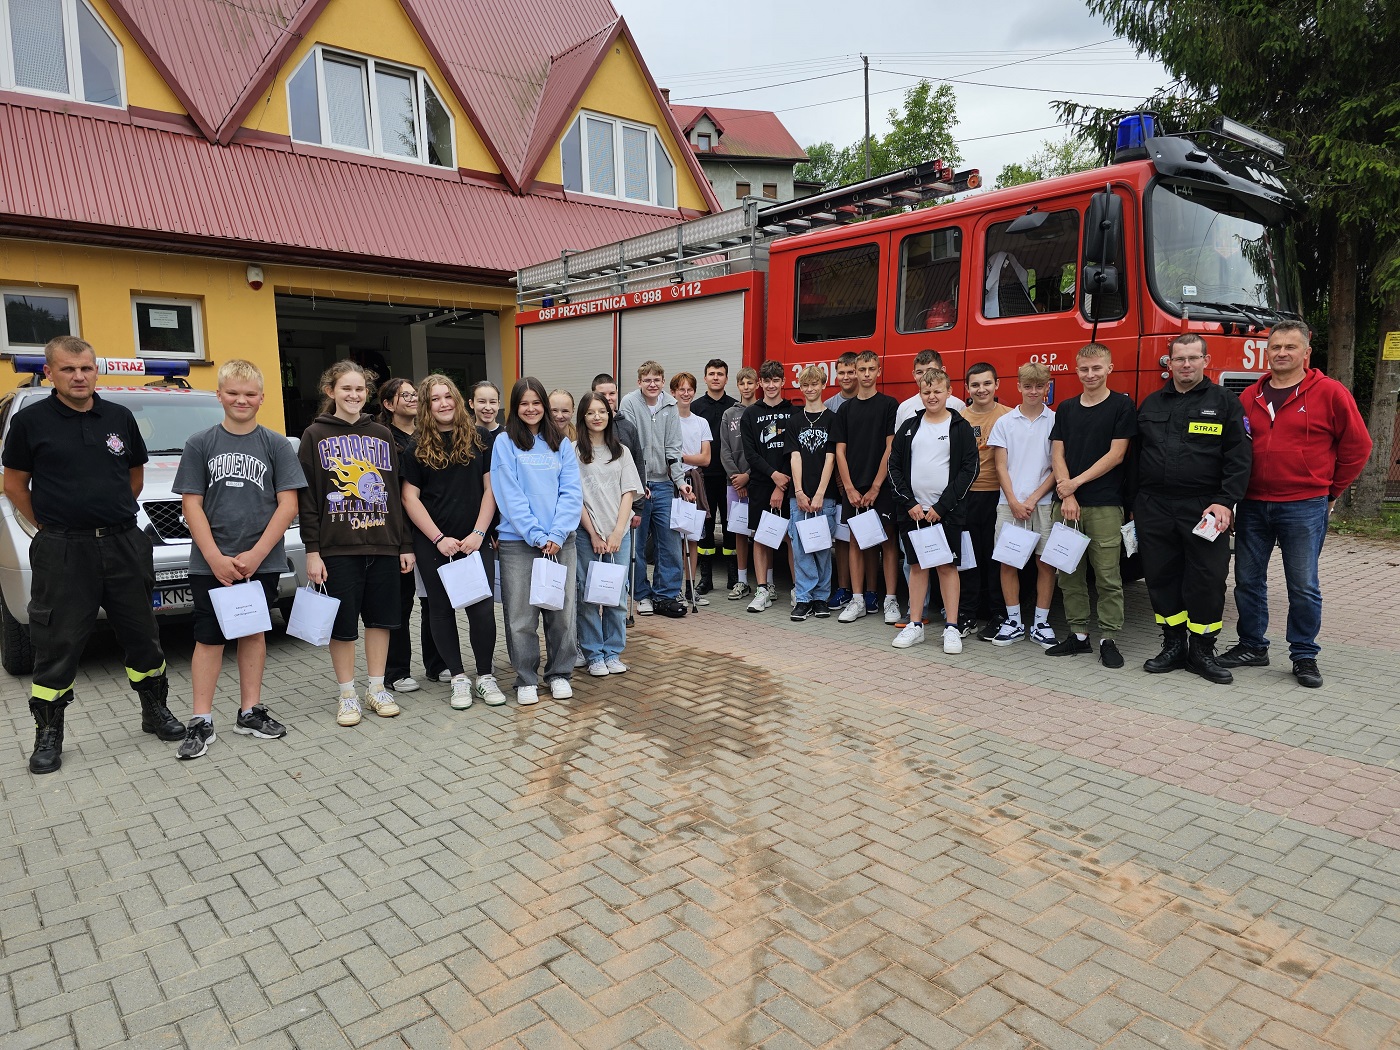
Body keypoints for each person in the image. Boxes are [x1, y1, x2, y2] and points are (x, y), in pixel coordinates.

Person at [2, 336, 184, 773]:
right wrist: (49, 526)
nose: (78, 376)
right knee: (57, 643)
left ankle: (154, 711)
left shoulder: (118, 417)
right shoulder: (32, 422)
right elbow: (13, 486)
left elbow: (134, 477)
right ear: (50, 373)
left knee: (142, 634)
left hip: (123, 543)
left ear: (95, 370)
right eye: (68, 369)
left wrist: (113, 513)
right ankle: (49, 734)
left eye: (85, 368)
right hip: (64, 549)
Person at [1219, 321, 1373, 688]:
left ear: (1306, 353)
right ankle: (1252, 646)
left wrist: (1331, 492)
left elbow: (1358, 446)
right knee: (1247, 581)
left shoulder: (1330, 393)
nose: (1282, 353)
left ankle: (1304, 654)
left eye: (1291, 347)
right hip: (1254, 504)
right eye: (1276, 347)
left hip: (1304, 505)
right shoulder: (1249, 396)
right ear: (1266, 353)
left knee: (1302, 585)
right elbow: (1236, 450)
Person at [172, 359, 306, 759]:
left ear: (262, 398)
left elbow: (288, 504)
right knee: (208, 638)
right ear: (219, 396)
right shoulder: (200, 443)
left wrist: (258, 553)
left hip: (260, 563)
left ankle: (250, 711)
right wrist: (214, 557)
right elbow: (191, 504)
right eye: (232, 393)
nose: (241, 400)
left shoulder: (276, 444)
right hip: (209, 563)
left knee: (252, 633)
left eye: (249, 394)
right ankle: (201, 719)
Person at [298, 360, 415, 727]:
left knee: (381, 621)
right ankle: (347, 693)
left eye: (360, 389)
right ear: (330, 391)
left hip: (383, 544)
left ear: (368, 395)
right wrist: (312, 550)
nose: (353, 395)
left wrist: (405, 544)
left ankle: (377, 687)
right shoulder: (314, 435)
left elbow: (397, 495)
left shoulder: (382, 434)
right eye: (346, 389)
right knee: (343, 625)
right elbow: (308, 499)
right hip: (337, 549)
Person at [1133, 335, 1252, 683]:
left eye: (1192, 358)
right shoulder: (1151, 404)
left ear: (1205, 360)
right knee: (1160, 577)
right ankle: (1173, 645)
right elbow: (1135, 458)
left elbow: (1239, 457)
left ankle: (1201, 651)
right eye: (1179, 358)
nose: (1186, 364)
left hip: (1206, 508)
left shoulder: (1226, 403)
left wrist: (1226, 500)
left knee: (1207, 580)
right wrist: (1133, 504)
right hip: (1154, 506)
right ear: (1168, 363)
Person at [399, 375, 506, 709]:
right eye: (435, 399)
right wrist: (438, 538)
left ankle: (485, 676)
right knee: (441, 610)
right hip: (434, 544)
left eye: (448, 396)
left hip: (475, 541)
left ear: (458, 401)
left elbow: (491, 490)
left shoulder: (481, 439)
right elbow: (409, 498)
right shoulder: (415, 447)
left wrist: (478, 534)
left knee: (482, 610)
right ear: (427, 406)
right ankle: (458, 678)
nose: (443, 403)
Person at [492, 377, 584, 705]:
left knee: (561, 612)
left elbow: (572, 493)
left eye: (536, 402)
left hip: (562, 542)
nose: (531, 409)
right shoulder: (504, 442)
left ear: (544, 405)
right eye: (524, 403)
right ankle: (525, 677)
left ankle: (559, 673)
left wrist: (557, 535)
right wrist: (536, 534)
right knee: (521, 616)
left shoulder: (561, 442)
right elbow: (508, 493)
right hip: (519, 541)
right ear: (516, 408)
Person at [1046, 343, 1136, 667]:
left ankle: (1108, 639)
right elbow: (1057, 453)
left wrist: (1075, 484)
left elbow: (1116, 455)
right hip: (1067, 506)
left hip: (1104, 506)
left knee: (1108, 577)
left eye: (1097, 368)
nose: (1090, 374)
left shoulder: (1122, 407)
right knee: (1068, 574)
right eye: (1084, 369)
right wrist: (1066, 494)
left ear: (1109, 368)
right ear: (1076, 369)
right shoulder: (1066, 408)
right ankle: (1078, 636)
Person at [887, 368, 979, 653]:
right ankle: (915, 624)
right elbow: (894, 466)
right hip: (913, 512)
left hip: (946, 513)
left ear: (949, 392)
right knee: (916, 566)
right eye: (926, 392)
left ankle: (952, 627)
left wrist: (942, 506)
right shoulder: (910, 427)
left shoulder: (960, 427)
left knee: (947, 566)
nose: (932, 396)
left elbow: (969, 470)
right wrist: (910, 503)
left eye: (938, 391)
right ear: (920, 394)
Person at [378, 377, 446, 692]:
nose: (412, 399)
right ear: (388, 404)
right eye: (404, 395)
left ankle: (437, 664)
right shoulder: (382, 439)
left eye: (414, 394)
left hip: (430, 529)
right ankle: (396, 671)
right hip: (398, 534)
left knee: (433, 599)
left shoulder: (426, 436)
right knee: (400, 603)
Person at [985, 363, 1059, 648]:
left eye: (1039, 386)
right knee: (1008, 562)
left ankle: (1041, 623)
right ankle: (1013, 621)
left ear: (1047, 387)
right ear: (1018, 386)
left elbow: (1056, 467)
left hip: (1042, 504)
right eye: (1028, 386)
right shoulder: (1005, 422)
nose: (1033, 391)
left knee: (1045, 563)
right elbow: (1000, 466)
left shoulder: (1055, 421)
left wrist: (1031, 499)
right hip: (1008, 504)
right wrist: (1014, 501)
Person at [574, 392, 644, 676]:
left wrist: (617, 532)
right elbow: (574, 497)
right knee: (588, 595)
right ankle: (593, 654)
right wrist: (594, 534)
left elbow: (629, 492)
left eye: (601, 411)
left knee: (616, 593)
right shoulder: (573, 451)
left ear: (609, 413)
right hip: (587, 534)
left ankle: (613, 651)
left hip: (619, 534)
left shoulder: (622, 451)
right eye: (590, 412)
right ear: (583, 417)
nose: (597, 417)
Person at [619, 361, 692, 618]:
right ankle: (641, 595)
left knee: (669, 543)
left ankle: (666, 595)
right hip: (638, 485)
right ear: (639, 382)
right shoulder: (628, 403)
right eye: (647, 380)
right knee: (636, 546)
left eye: (656, 380)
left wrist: (680, 481)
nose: (652, 384)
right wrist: (638, 484)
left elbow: (673, 446)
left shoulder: (671, 405)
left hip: (663, 484)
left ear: (662, 382)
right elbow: (628, 447)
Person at [834, 350, 900, 624]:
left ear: (879, 371)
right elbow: (840, 451)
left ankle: (891, 601)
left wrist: (875, 487)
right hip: (854, 488)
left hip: (881, 487)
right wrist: (849, 488)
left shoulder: (888, 405)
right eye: (862, 369)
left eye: (871, 369)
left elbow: (890, 447)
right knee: (855, 541)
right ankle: (858, 599)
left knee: (888, 540)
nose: (866, 374)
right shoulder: (845, 409)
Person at [956, 362, 1012, 637]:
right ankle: (967, 614)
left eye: (987, 383)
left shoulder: (1009, 417)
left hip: (998, 497)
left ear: (997, 385)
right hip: (966, 498)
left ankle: (998, 614)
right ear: (967, 388)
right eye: (975, 384)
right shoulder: (958, 419)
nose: (981, 389)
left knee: (995, 559)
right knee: (969, 559)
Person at [739, 360, 795, 613]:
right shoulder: (751, 413)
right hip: (762, 484)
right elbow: (750, 453)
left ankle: (798, 589)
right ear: (760, 383)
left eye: (776, 380)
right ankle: (763, 589)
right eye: (767, 381)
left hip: (788, 483)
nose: (771, 385)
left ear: (783, 382)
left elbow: (793, 451)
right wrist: (773, 476)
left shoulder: (795, 412)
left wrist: (781, 483)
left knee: (790, 538)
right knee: (761, 537)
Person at [786, 365, 838, 621]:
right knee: (801, 548)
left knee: (821, 548)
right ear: (801, 387)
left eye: (815, 384)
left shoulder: (833, 419)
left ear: (823, 385)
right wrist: (799, 491)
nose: (810, 389)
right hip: (799, 497)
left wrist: (819, 494)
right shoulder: (794, 420)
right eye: (805, 385)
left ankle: (821, 598)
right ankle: (804, 599)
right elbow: (795, 457)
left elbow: (831, 459)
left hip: (824, 497)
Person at [689, 358, 738, 594]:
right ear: (705, 378)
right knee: (705, 527)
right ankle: (705, 579)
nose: (716, 377)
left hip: (731, 479)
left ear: (727, 378)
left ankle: (733, 578)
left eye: (720, 373)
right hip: (704, 478)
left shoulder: (736, 407)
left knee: (731, 527)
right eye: (711, 373)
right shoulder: (696, 407)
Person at [672, 372, 714, 606]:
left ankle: (690, 588)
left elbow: (706, 459)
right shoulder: (669, 420)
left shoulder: (701, 422)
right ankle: (674, 587)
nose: (685, 393)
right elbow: (668, 457)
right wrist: (687, 459)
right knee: (675, 539)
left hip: (695, 483)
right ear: (673, 393)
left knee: (692, 538)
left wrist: (681, 457)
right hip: (674, 484)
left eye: (689, 389)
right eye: (681, 389)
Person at [719, 366, 758, 601]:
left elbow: (764, 451)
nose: (746, 387)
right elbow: (724, 449)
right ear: (738, 386)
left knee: (763, 533)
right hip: (733, 483)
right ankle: (742, 581)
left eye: (750, 383)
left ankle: (768, 582)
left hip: (758, 481)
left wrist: (749, 476)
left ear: (757, 385)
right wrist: (736, 478)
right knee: (740, 533)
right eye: (742, 383)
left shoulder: (761, 411)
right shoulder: (729, 414)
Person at [824, 352, 859, 608]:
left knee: (866, 537)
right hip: (839, 484)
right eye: (842, 372)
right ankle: (844, 587)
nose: (846, 377)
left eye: (851, 372)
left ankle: (867, 590)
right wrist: (841, 483)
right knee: (843, 538)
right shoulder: (830, 406)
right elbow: (832, 451)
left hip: (864, 482)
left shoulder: (868, 401)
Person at [894, 349, 967, 429]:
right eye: (919, 372)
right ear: (914, 374)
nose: (925, 376)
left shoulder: (958, 405)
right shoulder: (904, 407)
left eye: (931, 370)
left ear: (943, 371)